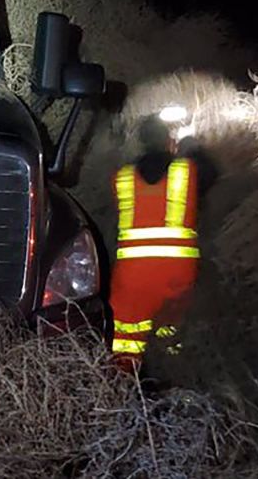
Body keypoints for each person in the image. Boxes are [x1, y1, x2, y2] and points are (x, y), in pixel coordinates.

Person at [108, 114, 203, 373]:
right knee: (171, 332)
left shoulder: (122, 177)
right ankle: (171, 380)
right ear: (168, 140)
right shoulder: (187, 170)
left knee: (127, 336)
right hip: (178, 271)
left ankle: (123, 387)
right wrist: (190, 146)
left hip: (132, 272)